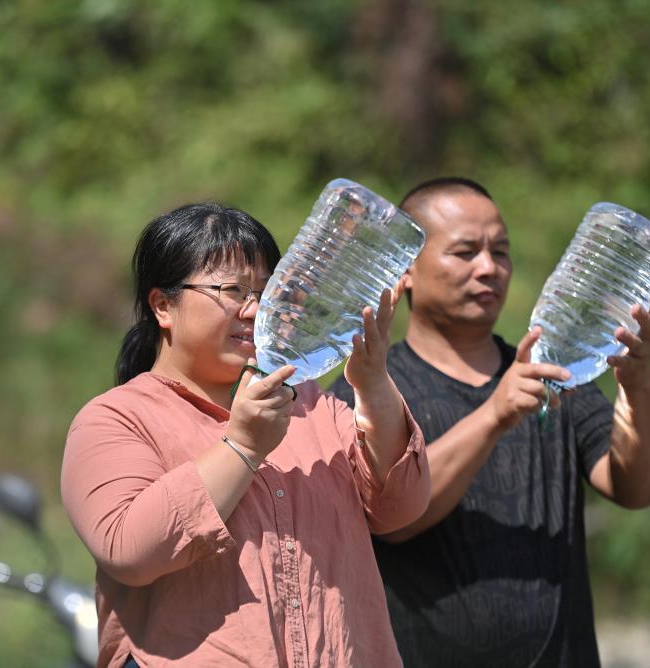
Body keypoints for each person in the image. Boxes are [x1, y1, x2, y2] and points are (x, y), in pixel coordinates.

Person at [61, 202, 430, 667]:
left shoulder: (311, 405)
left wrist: (373, 382)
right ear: (163, 306)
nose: (255, 309)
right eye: (233, 290)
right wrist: (242, 447)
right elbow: (129, 549)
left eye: (267, 290)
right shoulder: (115, 420)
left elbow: (403, 506)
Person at [329, 177, 650, 667]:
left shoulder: (555, 376)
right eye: (465, 252)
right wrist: (495, 414)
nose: (489, 268)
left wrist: (637, 383)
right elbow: (389, 520)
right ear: (405, 270)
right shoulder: (365, 390)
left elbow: (634, 488)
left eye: (501, 252)